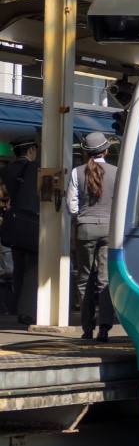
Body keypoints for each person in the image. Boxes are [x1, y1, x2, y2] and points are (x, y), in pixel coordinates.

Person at [68, 132, 117, 341]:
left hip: (85, 229)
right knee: (105, 279)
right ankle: (104, 328)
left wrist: (83, 217)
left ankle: (87, 329)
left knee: (84, 278)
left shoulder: (77, 172)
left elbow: (72, 207)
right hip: (108, 229)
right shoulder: (116, 172)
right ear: (105, 150)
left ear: (86, 152)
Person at [0, 134, 40, 327]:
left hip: (15, 225)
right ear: (31, 149)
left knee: (19, 268)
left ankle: (19, 308)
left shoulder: (7, 170)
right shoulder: (35, 168)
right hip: (32, 223)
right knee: (33, 269)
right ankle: (27, 312)